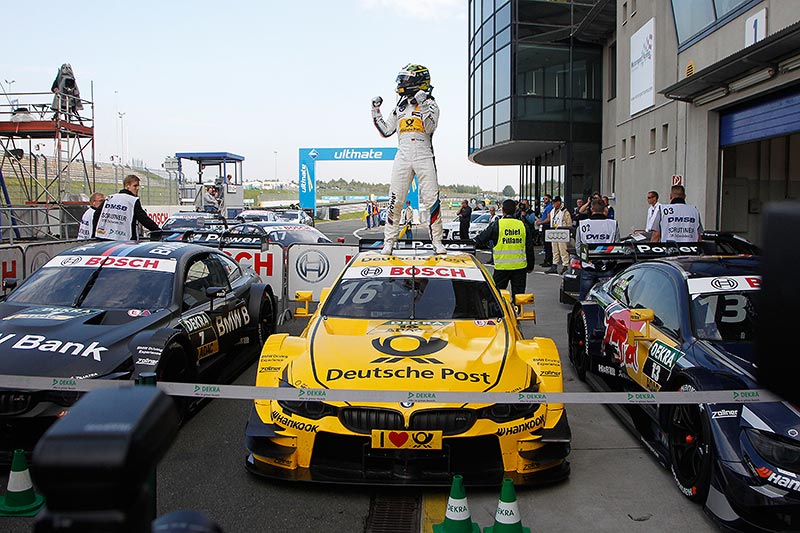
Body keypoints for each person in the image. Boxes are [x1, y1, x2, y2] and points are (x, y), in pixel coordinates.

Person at [372, 63, 445, 255]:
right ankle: (388, 242)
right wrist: (375, 110)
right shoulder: (400, 106)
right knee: (395, 200)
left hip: (423, 153)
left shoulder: (431, 103)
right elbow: (386, 130)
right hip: (403, 153)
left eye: (405, 80)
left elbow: (429, 127)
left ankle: (437, 241)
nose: (401, 84)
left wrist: (422, 103)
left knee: (431, 200)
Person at [474, 199, 535, 300]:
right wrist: (530, 266)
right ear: (516, 210)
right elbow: (529, 248)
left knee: (497, 297)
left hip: (502, 268)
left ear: (502, 210)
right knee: (519, 297)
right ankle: (517, 313)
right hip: (519, 268)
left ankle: (499, 314)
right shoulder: (523, 226)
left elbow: (480, 239)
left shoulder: (497, 225)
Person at [575, 199, 620, 300]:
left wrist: (591, 261)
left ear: (591, 209)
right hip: (607, 267)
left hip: (588, 267)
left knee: (584, 298)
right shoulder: (613, 224)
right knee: (606, 299)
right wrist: (604, 262)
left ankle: (584, 314)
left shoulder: (582, 225)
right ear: (604, 209)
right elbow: (616, 247)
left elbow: (578, 247)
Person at [94, 174, 160, 241]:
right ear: (127, 186)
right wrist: (158, 231)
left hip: (104, 238)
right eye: (135, 186)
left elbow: (96, 215)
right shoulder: (132, 200)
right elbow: (144, 219)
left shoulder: (110, 198)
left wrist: (96, 233)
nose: (138, 188)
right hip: (125, 241)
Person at [547, 196, 572, 274]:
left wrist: (568, 232)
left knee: (563, 250)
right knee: (555, 250)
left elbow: (569, 223)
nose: (553, 204)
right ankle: (554, 265)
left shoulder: (564, 211)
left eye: (555, 202)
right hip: (554, 232)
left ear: (559, 202)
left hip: (562, 233)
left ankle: (565, 265)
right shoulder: (552, 211)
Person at [534, 194, 553, 267]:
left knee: (548, 245)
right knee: (545, 245)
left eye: (546, 199)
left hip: (547, 227)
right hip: (544, 226)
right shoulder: (545, 207)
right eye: (544, 199)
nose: (544, 200)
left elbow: (548, 219)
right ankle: (546, 260)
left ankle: (548, 261)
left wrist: (540, 222)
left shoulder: (549, 207)